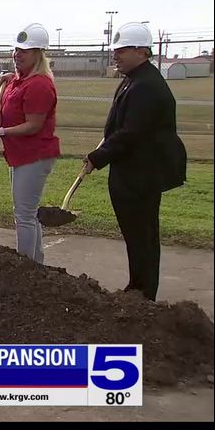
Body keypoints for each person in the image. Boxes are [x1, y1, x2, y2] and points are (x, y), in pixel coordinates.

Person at [84, 22, 187, 301]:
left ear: (141, 52)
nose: (115, 56)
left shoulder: (147, 86)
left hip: (142, 172)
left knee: (142, 234)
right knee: (135, 233)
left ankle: (143, 292)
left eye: (122, 50)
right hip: (130, 169)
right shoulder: (134, 79)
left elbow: (132, 132)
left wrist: (98, 157)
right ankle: (137, 284)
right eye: (115, 51)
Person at [0, 24, 60, 263]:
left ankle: (25, 265)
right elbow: (17, 86)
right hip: (21, 156)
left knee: (24, 215)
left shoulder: (40, 85)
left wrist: (1, 131)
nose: (17, 55)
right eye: (16, 50)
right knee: (28, 213)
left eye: (24, 51)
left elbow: (33, 125)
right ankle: (35, 263)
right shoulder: (22, 80)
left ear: (38, 54)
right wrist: (11, 78)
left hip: (34, 155)